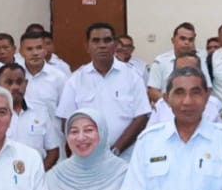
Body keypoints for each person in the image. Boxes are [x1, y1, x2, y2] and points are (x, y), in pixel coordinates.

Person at [55, 22, 151, 157]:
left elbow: (141, 117)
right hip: (88, 158)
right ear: (87, 47)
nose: (102, 45)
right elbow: (67, 120)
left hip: (126, 157)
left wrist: (116, 150)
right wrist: (85, 150)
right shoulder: (76, 80)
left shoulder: (133, 76)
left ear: (115, 45)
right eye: (96, 41)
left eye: (107, 40)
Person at [0, 61, 61, 166]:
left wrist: (38, 173)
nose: (15, 87)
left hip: (36, 173)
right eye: (9, 83)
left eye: (19, 82)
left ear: (26, 83)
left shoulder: (40, 111)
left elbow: (53, 151)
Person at [146, 23, 199, 102]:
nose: (187, 42)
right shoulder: (161, 61)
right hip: (167, 107)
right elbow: (153, 91)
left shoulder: (200, 61)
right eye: (182, 38)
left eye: (190, 40)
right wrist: (173, 105)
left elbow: (206, 89)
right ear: (173, 40)